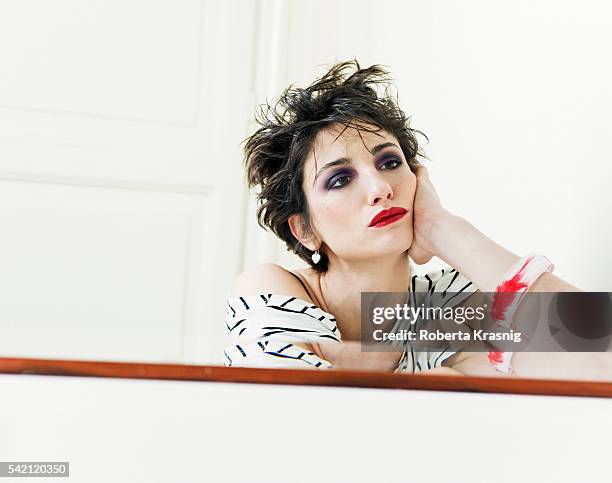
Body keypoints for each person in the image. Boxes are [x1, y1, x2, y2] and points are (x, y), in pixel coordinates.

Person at [225, 60, 611, 380]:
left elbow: (600, 357)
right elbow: (296, 416)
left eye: (390, 163)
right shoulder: (270, 287)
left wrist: (441, 228)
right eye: (340, 179)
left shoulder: (445, 302)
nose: (380, 187)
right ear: (304, 229)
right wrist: (445, 369)